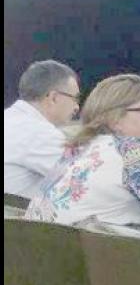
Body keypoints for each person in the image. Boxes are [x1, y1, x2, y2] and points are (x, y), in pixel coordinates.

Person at [26, 73, 140, 237]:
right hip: (103, 251)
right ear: (115, 119)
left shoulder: (76, 151)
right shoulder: (129, 152)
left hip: (43, 247)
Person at [4, 60, 81, 203]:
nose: (77, 107)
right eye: (75, 98)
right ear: (53, 97)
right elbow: (85, 179)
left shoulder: (11, 119)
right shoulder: (38, 133)